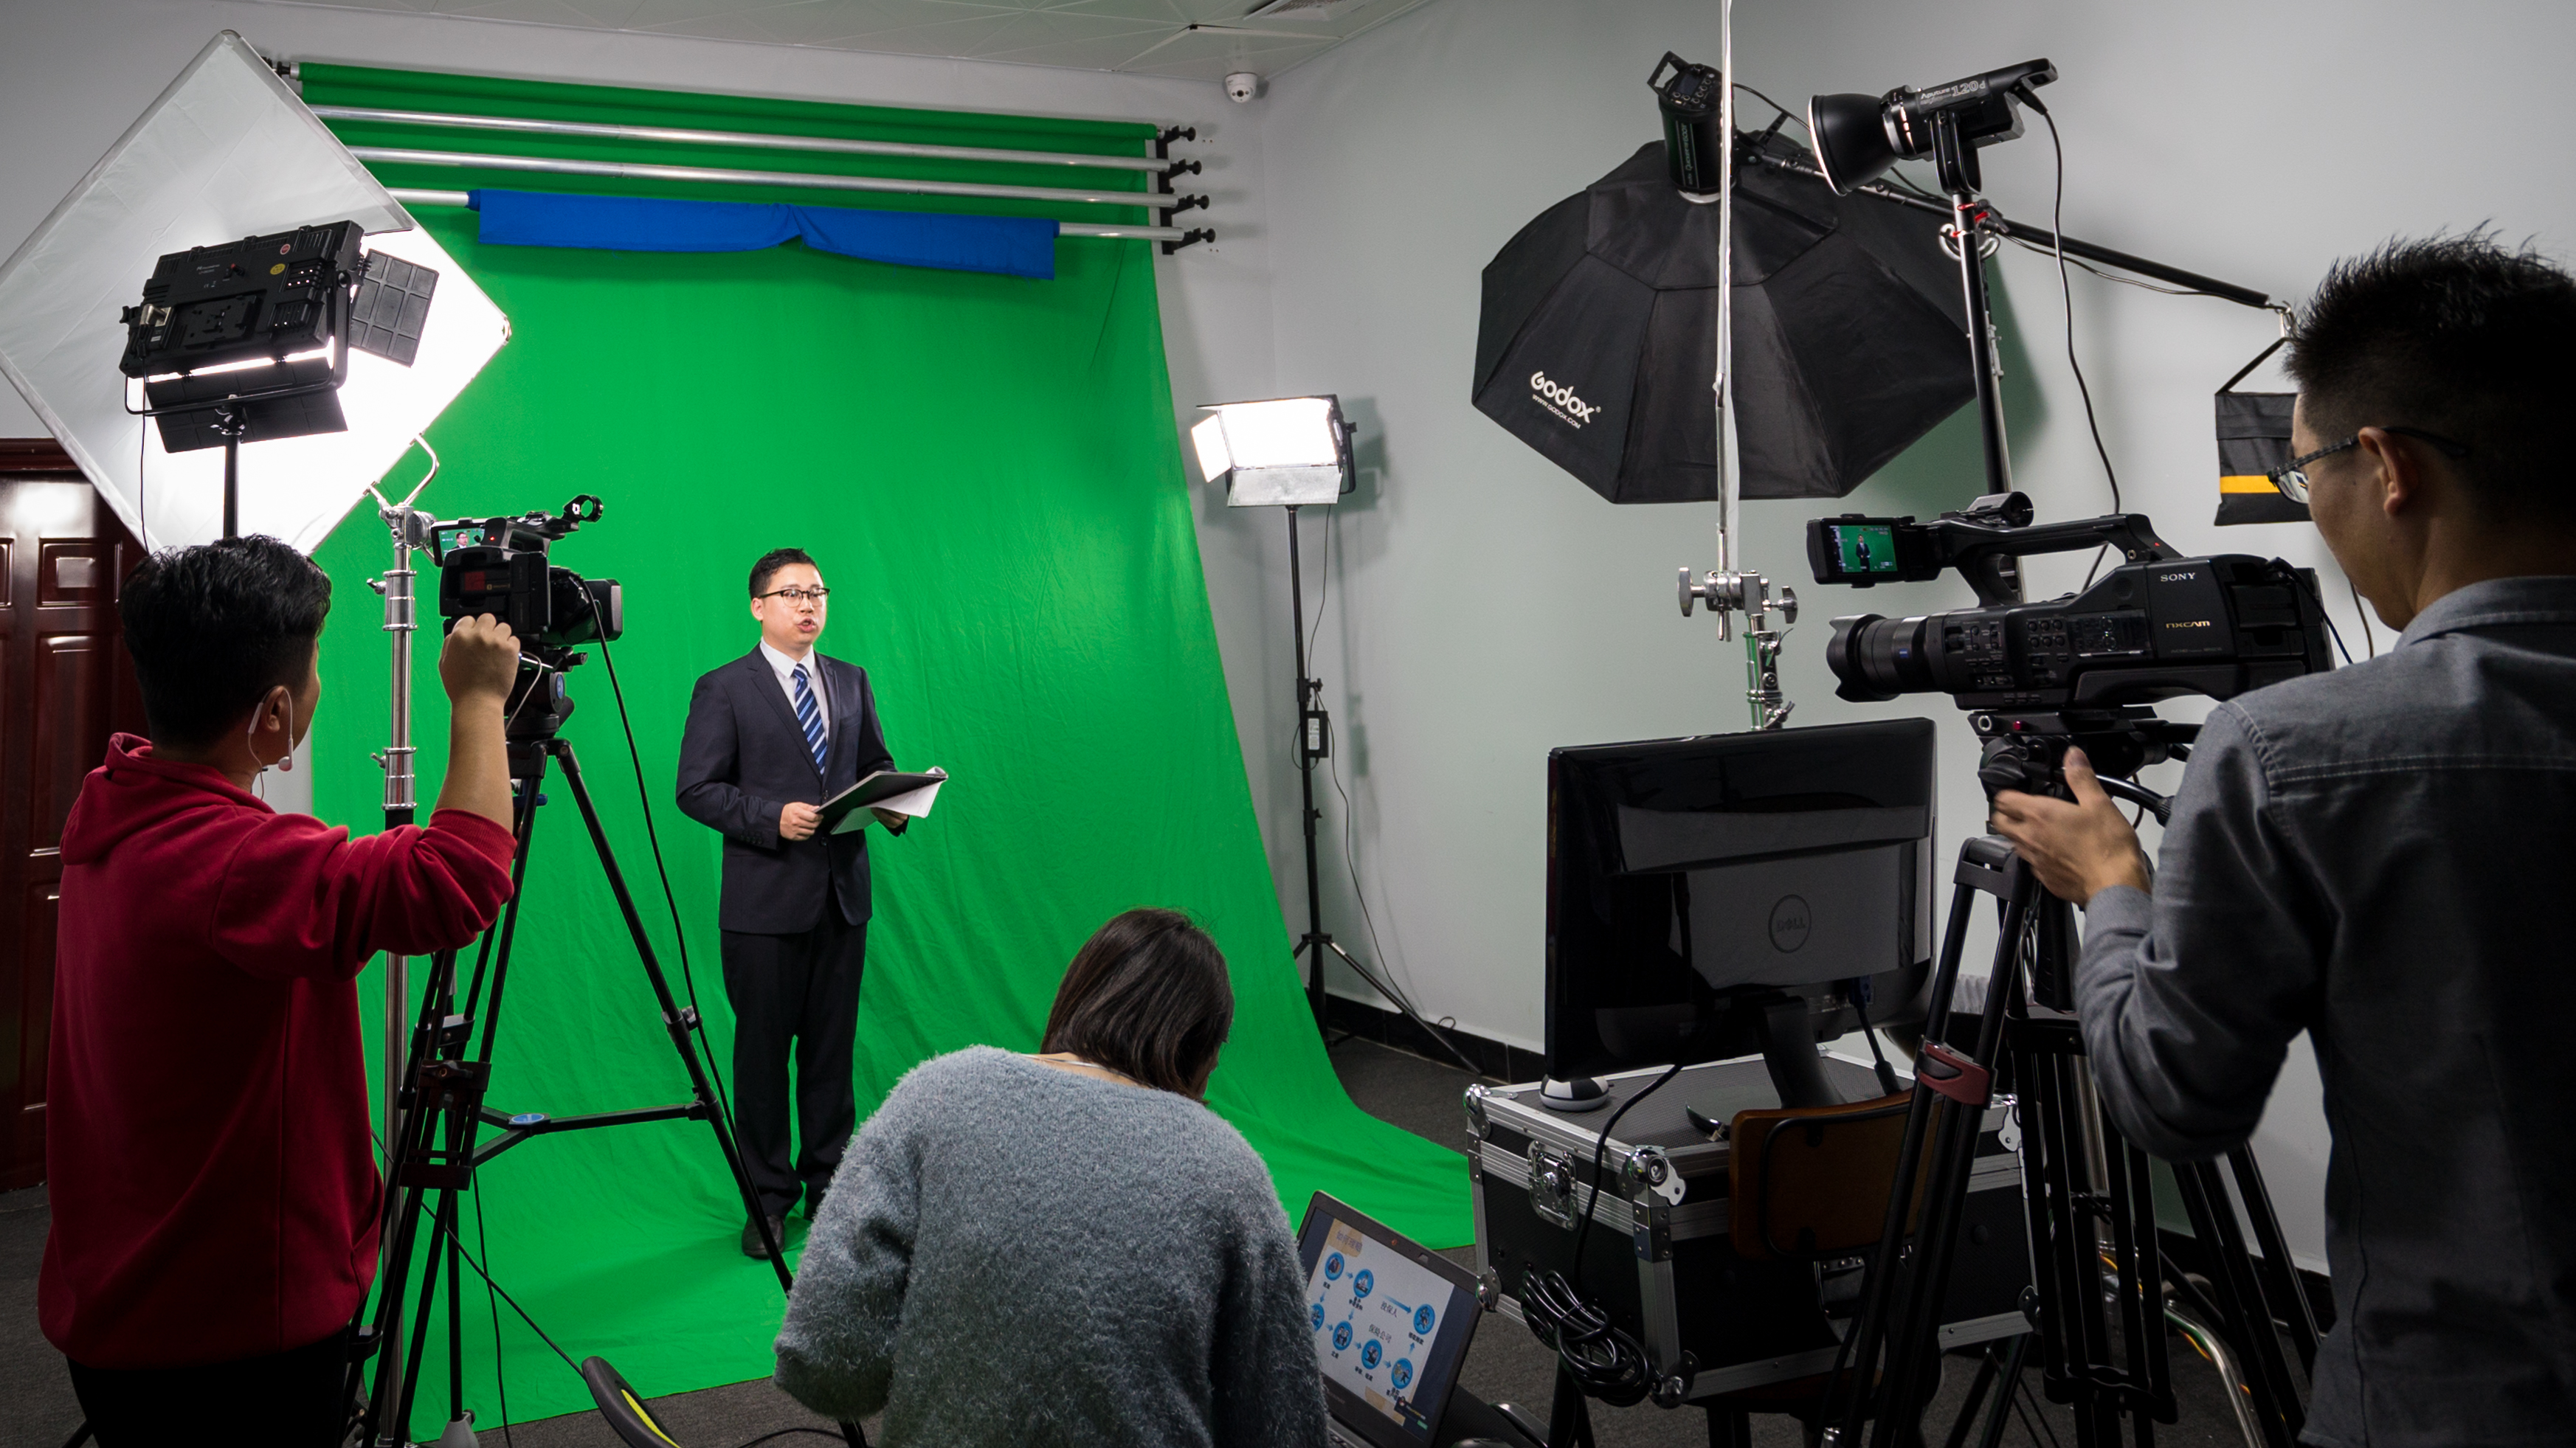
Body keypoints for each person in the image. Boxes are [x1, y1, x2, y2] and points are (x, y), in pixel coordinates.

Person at [1989, 235, 2576, 1447]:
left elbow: (2173, 1097)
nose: (2309, 503)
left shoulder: (2289, 751)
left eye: (2303, 466)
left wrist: (2110, 887)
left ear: (2388, 465)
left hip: (2455, 1407)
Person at [40, 536, 522, 1447]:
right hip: (231, 1340)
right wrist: (480, 700)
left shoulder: (113, 806)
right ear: (273, 712)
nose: (318, 688)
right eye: (313, 672)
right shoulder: (237, 864)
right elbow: (459, 879)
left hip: (121, 1302)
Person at [771, 908, 1328, 1447]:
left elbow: (822, 1360)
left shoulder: (937, 1092)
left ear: (1079, 994)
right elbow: (1285, 1423)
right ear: (1202, 1046)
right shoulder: (1230, 1170)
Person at [677, 547, 907, 1258]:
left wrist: (892, 798)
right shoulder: (724, 688)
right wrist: (771, 817)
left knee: (831, 1056)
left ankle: (830, 1189)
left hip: (842, 900)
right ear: (758, 606)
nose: (808, 604)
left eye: (817, 592)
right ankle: (767, 1200)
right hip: (763, 906)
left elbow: (872, 763)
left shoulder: (851, 679)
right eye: (791, 593)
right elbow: (696, 789)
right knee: (762, 1058)